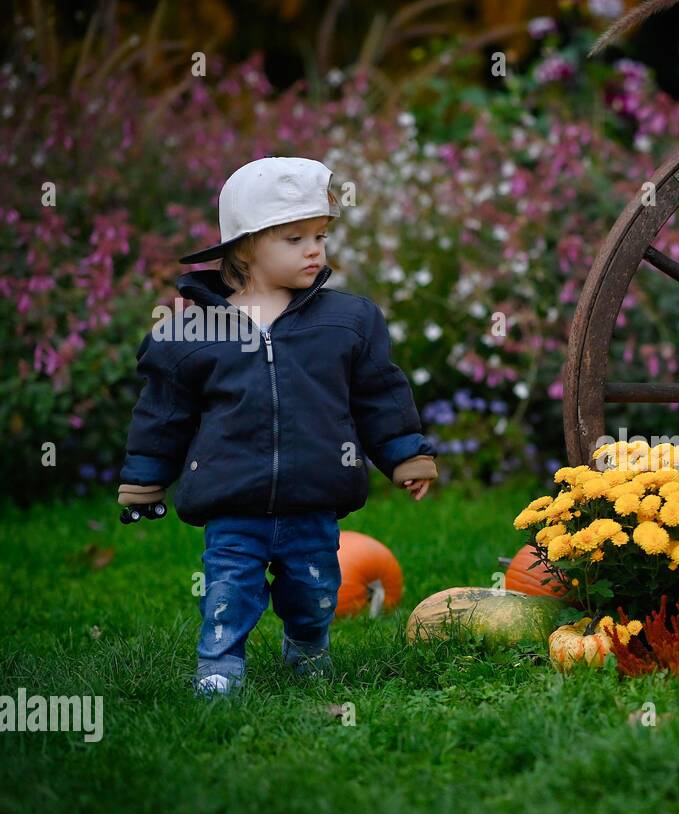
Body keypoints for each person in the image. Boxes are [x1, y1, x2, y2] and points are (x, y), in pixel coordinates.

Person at [116, 157, 439, 697]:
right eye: (294, 239)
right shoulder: (193, 332)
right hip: (231, 498)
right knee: (228, 589)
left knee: (314, 591)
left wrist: (405, 453)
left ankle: (308, 649)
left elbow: (379, 395)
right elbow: (163, 415)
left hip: (313, 494)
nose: (315, 250)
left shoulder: (346, 323)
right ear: (244, 249)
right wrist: (145, 478)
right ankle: (220, 665)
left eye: (320, 236)